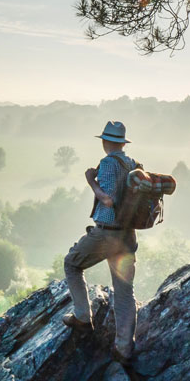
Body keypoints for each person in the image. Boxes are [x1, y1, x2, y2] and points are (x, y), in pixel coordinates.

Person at [62, 120, 138, 364]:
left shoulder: (107, 163)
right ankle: (124, 349)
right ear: (122, 143)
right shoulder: (132, 164)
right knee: (124, 292)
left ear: (106, 142)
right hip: (127, 236)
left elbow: (106, 200)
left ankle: (83, 317)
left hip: (107, 233)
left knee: (72, 263)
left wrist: (90, 180)